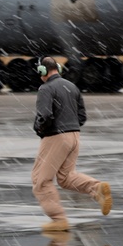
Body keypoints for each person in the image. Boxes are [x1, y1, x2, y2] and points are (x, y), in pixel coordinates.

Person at [31, 57, 112, 232]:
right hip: (74, 136)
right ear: (58, 68)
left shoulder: (45, 89)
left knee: (40, 181)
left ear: (42, 71)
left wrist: (39, 129)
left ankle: (58, 219)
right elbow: (82, 116)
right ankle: (96, 188)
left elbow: (44, 116)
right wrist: (70, 128)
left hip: (56, 137)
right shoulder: (71, 86)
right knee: (66, 177)